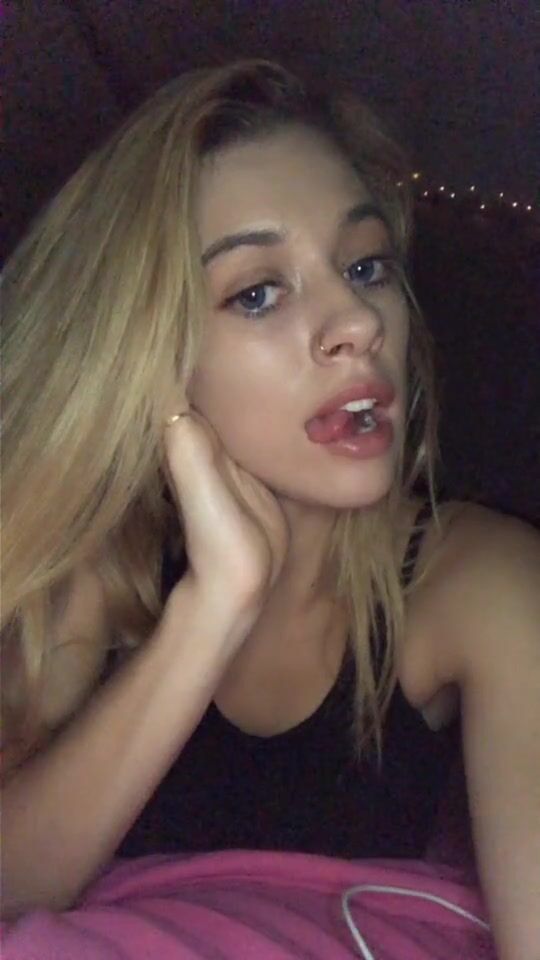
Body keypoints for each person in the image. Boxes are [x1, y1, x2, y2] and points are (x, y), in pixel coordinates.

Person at [1, 59, 538, 959]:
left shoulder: (484, 581)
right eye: (257, 292)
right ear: (150, 355)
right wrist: (212, 608)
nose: (359, 322)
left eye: (365, 266)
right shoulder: (107, 559)